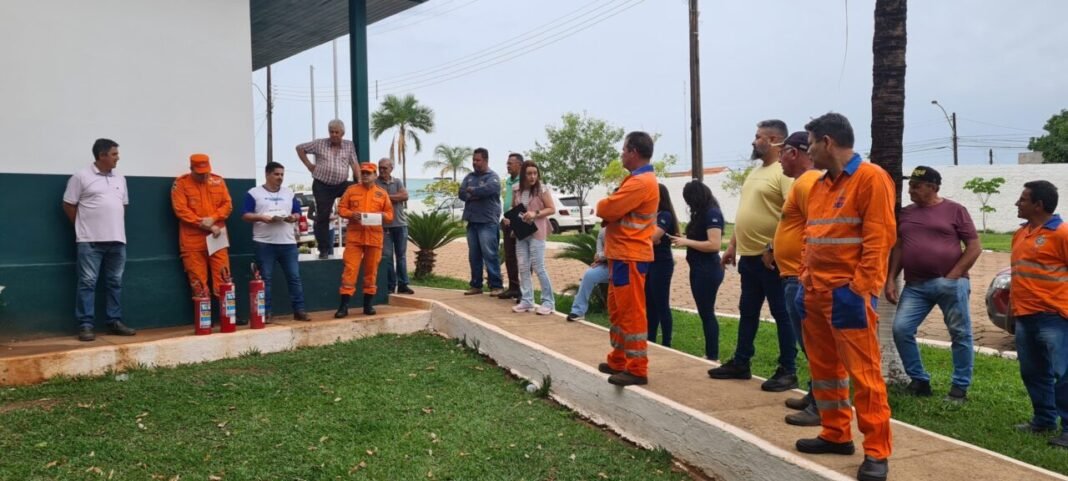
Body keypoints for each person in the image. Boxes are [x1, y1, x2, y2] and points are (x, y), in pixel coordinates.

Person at [794, 113, 894, 481]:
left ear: (828, 142)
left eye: (810, 144)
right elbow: (812, 235)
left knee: (864, 376)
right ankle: (836, 433)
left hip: (848, 295)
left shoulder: (871, 179)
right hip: (816, 292)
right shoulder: (820, 185)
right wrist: (806, 276)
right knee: (825, 371)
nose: (807, 151)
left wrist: (859, 288)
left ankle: (877, 452)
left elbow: (880, 238)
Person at [709, 120, 798, 393]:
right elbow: (746, 211)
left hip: (770, 259)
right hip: (748, 257)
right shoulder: (756, 172)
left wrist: (772, 247)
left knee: (782, 314)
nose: (753, 141)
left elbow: (791, 214)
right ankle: (741, 362)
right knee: (747, 311)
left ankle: (788, 370)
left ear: (773, 140)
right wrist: (733, 244)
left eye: (757, 136)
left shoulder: (783, 173)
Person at [886, 166, 981, 403]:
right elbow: (899, 247)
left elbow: (974, 247)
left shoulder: (955, 210)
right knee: (901, 329)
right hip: (916, 285)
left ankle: (959, 388)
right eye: (910, 185)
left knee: (960, 334)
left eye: (916, 186)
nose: (911, 190)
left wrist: (954, 275)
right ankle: (919, 380)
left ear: (933, 187)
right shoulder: (906, 213)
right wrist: (890, 279)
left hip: (950, 283)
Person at [766, 132, 822, 426]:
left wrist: (802, 268)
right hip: (791, 274)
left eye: (782, 152)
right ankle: (816, 393)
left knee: (814, 344)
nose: (779, 159)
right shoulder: (802, 183)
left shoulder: (809, 182)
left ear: (795, 153)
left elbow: (816, 228)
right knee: (808, 343)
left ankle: (822, 403)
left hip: (799, 277)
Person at [596, 131, 659, 387]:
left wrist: (605, 206)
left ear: (633, 152)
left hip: (630, 255)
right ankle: (619, 359)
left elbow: (606, 208)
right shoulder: (635, 179)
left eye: (624, 150)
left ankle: (637, 367)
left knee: (631, 313)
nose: (621, 154)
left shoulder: (640, 182)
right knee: (618, 310)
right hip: (622, 255)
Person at [1009, 180, 1068, 448]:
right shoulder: (1021, 234)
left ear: (1038, 205)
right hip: (1025, 316)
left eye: (1022, 200)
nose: (1017, 204)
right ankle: (1044, 419)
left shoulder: (1062, 233)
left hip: (1054, 316)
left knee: (1064, 373)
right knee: (1033, 371)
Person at [62, 138, 137, 341]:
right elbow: (69, 204)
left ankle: (114, 321)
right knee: (87, 283)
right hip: (90, 241)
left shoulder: (120, 178)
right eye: (114, 154)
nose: (117, 158)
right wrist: (82, 227)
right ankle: (86, 325)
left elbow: (123, 205)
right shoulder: (81, 177)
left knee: (115, 282)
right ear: (102, 155)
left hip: (117, 240)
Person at [241, 161, 309, 323]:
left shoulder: (288, 193)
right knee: (266, 279)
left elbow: (297, 212)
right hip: (264, 243)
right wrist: (261, 217)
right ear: (267, 174)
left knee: (294, 277)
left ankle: (299, 311)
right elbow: (245, 215)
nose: (280, 177)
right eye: (276, 174)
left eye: (282, 175)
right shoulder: (254, 193)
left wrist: (293, 217)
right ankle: (266, 312)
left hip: (288, 242)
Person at [669, 181, 724, 360]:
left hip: (708, 269)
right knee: (704, 311)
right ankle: (710, 352)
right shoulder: (701, 214)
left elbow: (714, 244)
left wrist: (687, 242)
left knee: (707, 312)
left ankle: (712, 354)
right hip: (698, 267)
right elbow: (700, 238)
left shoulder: (712, 213)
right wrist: (684, 238)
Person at [172, 153, 232, 311]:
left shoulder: (218, 181)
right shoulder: (181, 184)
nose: (203, 176)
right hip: (193, 240)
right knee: (198, 280)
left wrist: (213, 218)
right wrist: (205, 225)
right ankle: (204, 317)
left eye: (205, 172)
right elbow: (181, 211)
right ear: (191, 168)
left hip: (217, 236)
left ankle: (227, 313)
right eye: (199, 173)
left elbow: (227, 204)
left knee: (223, 275)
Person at [334, 163, 394, 317]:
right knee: (350, 270)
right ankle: (344, 306)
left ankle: (368, 305)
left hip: (374, 238)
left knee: (371, 272)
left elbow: (389, 215)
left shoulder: (382, 193)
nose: (365, 175)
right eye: (363, 173)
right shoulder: (351, 190)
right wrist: (350, 214)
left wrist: (379, 216)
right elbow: (341, 208)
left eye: (369, 173)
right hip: (355, 237)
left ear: (375, 175)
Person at [296, 119, 358, 259]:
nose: (334, 134)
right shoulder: (319, 143)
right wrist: (309, 165)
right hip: (322, 185)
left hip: (341, 184)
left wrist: (359, 182)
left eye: (337, 132)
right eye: (331, 132)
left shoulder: (349, 145)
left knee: (359, 192)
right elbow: (299, 148)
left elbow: (355, 164)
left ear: (342, 133)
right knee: (323, 216)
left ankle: (358, 233)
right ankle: (324, 249)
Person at [508, 160, 556, 315]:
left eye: (535, 173)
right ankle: (527, 300)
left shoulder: (542, 189)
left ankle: (548, 302)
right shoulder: (517, 190)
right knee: (522, 266)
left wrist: (534, 214)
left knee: (538, 267)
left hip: (537, 232)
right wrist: (510, 216)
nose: (532, 176)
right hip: (521, 233)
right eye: (529, 173)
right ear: (523, 175)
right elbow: (514, 207)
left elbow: (551, 209)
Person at [459, 147, 503, 296]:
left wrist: (473, 191)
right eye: (473, 160)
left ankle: (496, 286)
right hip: (472, 222)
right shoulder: (469, 176)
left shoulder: (493, 177)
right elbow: (461, 193)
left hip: (487, 222)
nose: (474, 163)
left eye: (477, 160)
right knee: (474, 255)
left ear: (485, 160)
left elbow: (488, 190)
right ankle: (476, 285)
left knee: (490, 254)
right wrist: (474, 193)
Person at [377, 157, 414, 295]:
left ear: (391, 168)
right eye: (380, 168)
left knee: (401, 256)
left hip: (400, 225)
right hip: (384, 226)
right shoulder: (375, 183)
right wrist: (394, 197)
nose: (381, 170)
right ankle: (390, 286)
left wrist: (385, 197)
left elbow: (405, 196)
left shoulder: (397, 181)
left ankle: (403, 284)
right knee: (387, 257)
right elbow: (376, 200)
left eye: (384, 168)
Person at [647, 184, 678, 346]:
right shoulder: (652, 215)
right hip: (649, 262)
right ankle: (650, 338)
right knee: (649, 303)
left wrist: (651, 237)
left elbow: (651, 238)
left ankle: (667, 342)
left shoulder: (665, 215)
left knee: (661, 303)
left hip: (662, 263)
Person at [566, 228, 609, 322]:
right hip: (609, 266)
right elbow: (598, 255)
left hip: (627, 266)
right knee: (589, 274)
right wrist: (602, 258)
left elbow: (619, 251)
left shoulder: (625, 229)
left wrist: (603, 256)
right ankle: (578, 311)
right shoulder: (603, 232)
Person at [497, 153, 524, 300]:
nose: (507, 165)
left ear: (520, 165)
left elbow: (524, 204)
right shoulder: (508, 181)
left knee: (523, 256)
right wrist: (505, 217)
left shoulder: (525, 180)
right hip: (507, 222)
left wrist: (514, 219)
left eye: (510, 163)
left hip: (520, 222)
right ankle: (513, 288)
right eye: (507, 163)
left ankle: (525, 291)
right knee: (509, 256)